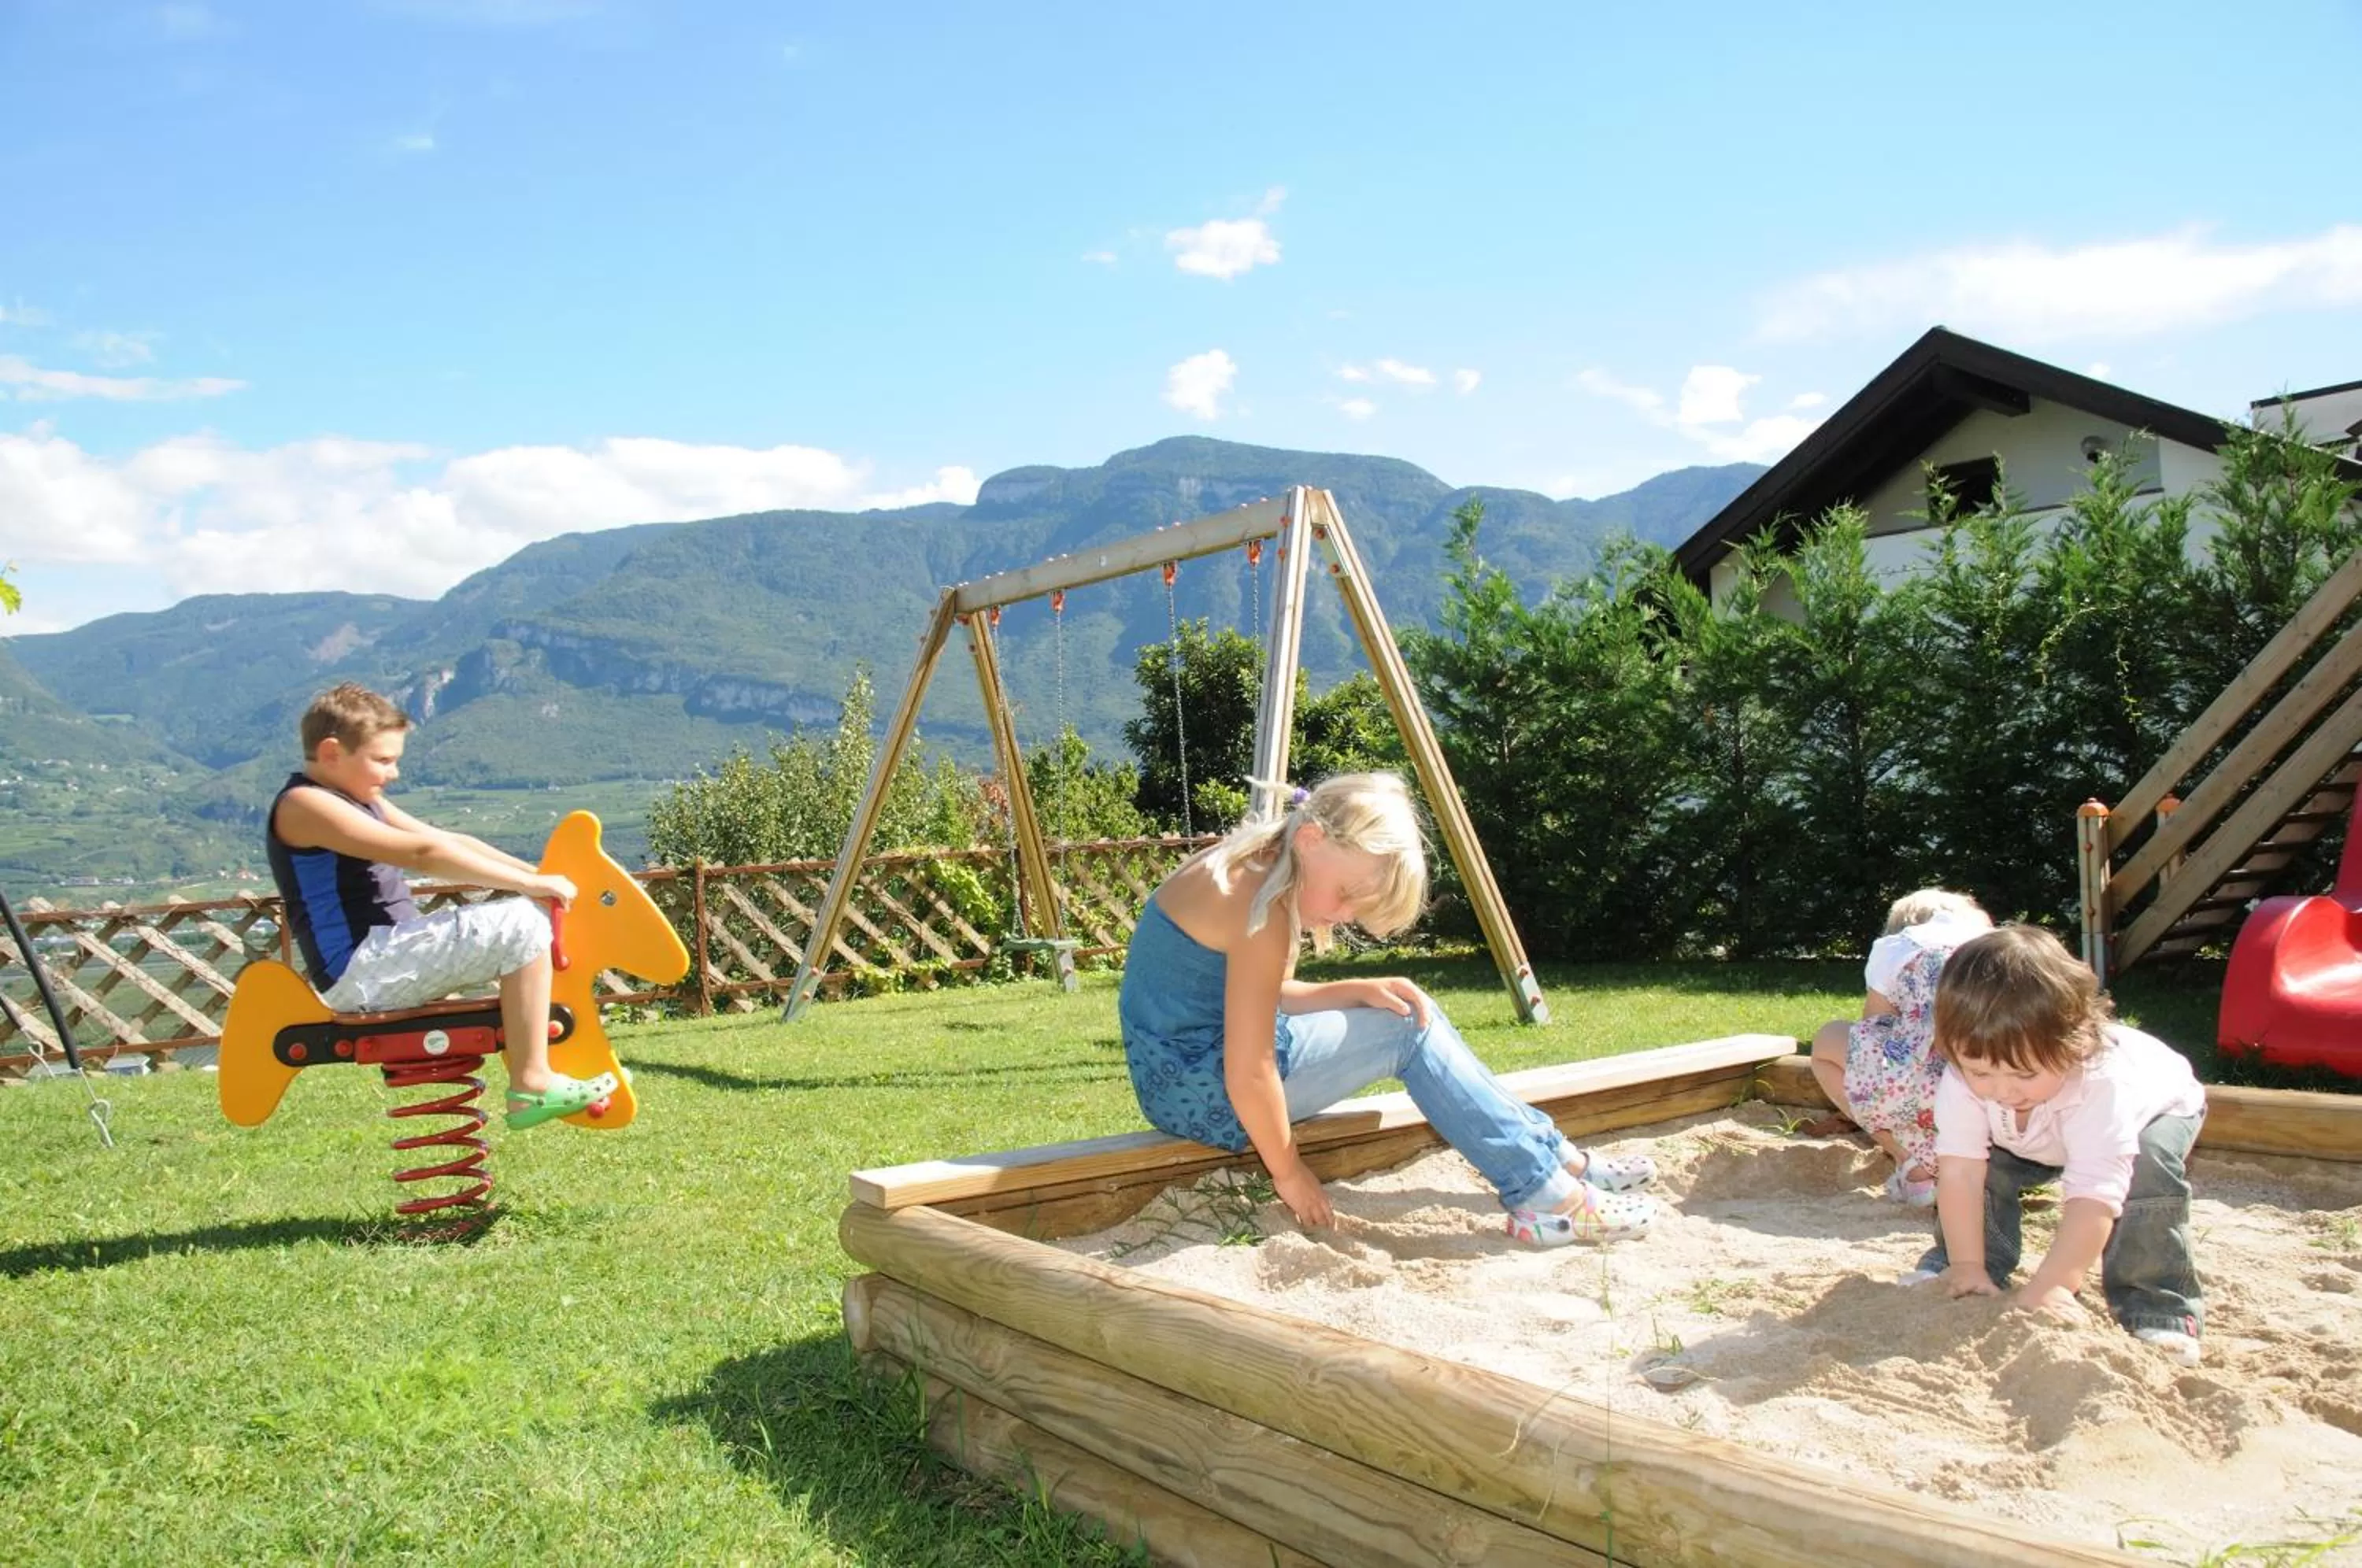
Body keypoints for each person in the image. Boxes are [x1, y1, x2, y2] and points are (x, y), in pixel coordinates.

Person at [1119, 771, 1657, 1247]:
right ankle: (1543, 1193)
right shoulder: (1262, 904)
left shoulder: (1255, 866)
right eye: (1347, 895)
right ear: (1312, 840)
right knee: (1410, 1028)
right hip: (1204, 1092)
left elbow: (1262, 997)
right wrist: (1288, 1171)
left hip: (1182, 1080)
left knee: (1404, 1008)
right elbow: (1249, 1068)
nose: (1346, 914)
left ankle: (1554, 1158)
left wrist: (1354, 987)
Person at [265, 682, 614, 1129]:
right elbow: (421, 855)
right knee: (521, 925)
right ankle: (533, 1083)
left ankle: (540, 1067)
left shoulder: (357, 799)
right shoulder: (305, 805)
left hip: (384, 959)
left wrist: (537, 876)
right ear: (331, 752)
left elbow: (446, 840)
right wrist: (529, 884)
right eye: (383, 760)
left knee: (530, 913)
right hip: (362, 970)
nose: (392, 774)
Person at [1903, 924, 2208, 1366]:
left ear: (2075, 1043)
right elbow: (1960, 1173)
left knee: (2147, 1174)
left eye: (2024, 1074)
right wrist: (1968, 1265)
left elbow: (2094, 1196)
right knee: (1989, 1169)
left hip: (2157, 1113)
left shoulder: (2102, 1084)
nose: (2003, 1090)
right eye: (1981, 1073)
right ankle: (1968, 1263)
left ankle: (2155, 1308)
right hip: (2038, 1133)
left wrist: (2055, 1282)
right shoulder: (1964, 1075)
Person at [1807, 889, 1993, 1206]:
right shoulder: (1997, 948)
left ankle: (1910, 1160)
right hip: (1999, 1085)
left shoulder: (1896, 948)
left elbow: (1874, 1026)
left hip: (1927, 1087)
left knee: (1828, 1041)